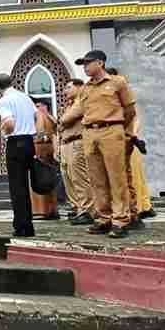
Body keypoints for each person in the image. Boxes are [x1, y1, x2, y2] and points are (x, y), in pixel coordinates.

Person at [75, 51, 137, 238]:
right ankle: (104, 217)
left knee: (116, 178)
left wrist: (120, 130)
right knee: (97, 179)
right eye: (83, 64)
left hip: (112, 130)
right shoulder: (85, 88)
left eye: (88, 63)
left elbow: (130, 110)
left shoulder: (118, 82)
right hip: (89, 132)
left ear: (100, 62)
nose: (85, 67)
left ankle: (120, 220)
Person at [106, 67, 153, 225]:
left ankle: (139, 207)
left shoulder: (125, 97)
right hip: (113, 140)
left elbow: (135, 117)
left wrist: (131, 134)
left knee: (131, 176)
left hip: (127, 139)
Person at [0, 73, 40, 238]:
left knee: (17, 187)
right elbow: (37, 116)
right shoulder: (25, 97)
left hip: (15, 143)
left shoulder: (4, 100)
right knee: (26, 186)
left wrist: (3, 130)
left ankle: (22, 226)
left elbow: (10, 124)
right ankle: (29, 225)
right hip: (29, 142)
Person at [58, 78, 96, 225]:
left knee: (79, 178)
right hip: (66, 143)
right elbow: (61, 123)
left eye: (68, 87)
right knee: (68, 178)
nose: (65, 91)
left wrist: (63, 121)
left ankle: (87, 210)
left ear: (79, 87)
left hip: (77, 142)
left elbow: (66, 119)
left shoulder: (82, 100)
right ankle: (78, 207)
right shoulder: (70, 104)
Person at [31, 98, 59, 220]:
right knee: (49, 179)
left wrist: (37, 138)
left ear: (43, 106)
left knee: (39, 178)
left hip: (40, 148)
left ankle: (41, 210)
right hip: (49, 149)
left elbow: (41, 132)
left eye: (38, 105)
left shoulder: (41, 115)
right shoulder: (51, 117)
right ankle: (52, 209)